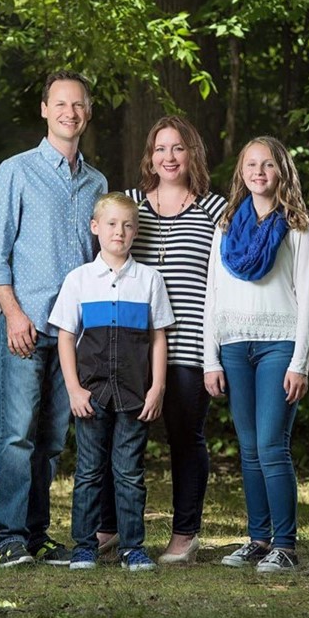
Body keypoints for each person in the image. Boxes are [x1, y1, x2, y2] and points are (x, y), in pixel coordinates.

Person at [0, 70, 107, 567]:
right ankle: (9, 535)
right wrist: (12, 314)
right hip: (25, 325)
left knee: (52, 441)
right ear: (45, 109)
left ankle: (36, 534)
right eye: (61, 104)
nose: (69, 113)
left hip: (72, 333)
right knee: (16, 435)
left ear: (87, 113)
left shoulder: (97, 182)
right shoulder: (16, 171)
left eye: (78, 105)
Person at [93, 115, 228, 564]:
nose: (168, 157)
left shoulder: (215, 209)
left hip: (190, 346)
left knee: (186, 438)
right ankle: (109, 528)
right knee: (119, 438)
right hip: (129, 350)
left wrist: (217, 353)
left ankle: (184, 534)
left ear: (192, 154)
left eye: (178, 148)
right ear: (149, 155)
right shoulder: (129, 204)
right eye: (160, 149)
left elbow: (226, 284)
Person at [202, 136, 309, 574]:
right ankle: (258, 539)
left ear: (281, 172)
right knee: (249, 448)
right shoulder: (226, 225)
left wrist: (300, 361)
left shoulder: (298, 227)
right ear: (241, 172)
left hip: (280, 344)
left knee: (272, 445)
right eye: (250, 164)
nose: (258, 172)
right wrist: (209, 358)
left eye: (267, 165)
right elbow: (213, 294)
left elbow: (308, 299)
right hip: (234, 344)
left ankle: (285, 546)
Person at [49, 192, 175, 572]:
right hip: (91, 394)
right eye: (111, 224)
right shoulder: (80, 280)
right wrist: (73, 388)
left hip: (136, 394)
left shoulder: (149, 280)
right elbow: (66, 336)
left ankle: (132, 547)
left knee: (130, 472)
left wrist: (157, 388)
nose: (119, 232)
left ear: (136, 230)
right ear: (95, 228)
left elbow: (158, 338)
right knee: (88, 471)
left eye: (127, 224)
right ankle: (85, 546)